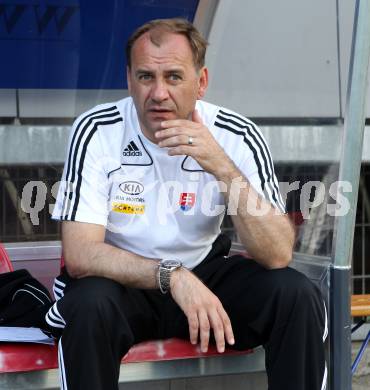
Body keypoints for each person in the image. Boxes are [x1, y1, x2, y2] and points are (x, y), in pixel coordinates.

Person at [47, 18, 327, 390]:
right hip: (123, 281)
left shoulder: (235, 133)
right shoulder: (97, 130)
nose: (159, 93)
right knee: (87, 305)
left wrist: (220, 165)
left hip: (205, 274)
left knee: (296, 294)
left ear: (201, 82)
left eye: (174, 77)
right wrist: (173, 276)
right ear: (129, 79)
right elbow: (81, 255)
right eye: (146, 77)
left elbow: (276, 254)